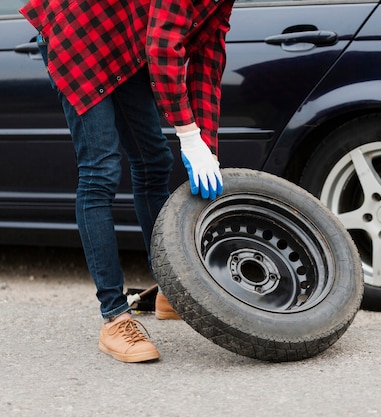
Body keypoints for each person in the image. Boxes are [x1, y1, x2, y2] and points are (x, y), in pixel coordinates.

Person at [19, 0, 234, 363]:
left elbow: (207, 61)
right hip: (79, 31)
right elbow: (163, 46)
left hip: (126, 42)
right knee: (100, 170)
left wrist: (206, 148)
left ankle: (170, 286)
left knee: (154, 162)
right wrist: (187, 132)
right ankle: (115, 316)